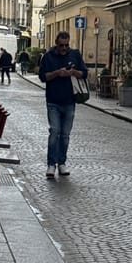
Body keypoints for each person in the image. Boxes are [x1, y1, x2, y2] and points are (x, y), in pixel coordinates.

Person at [38, 31, 88, 178]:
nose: (64, 48)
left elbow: (84, 73)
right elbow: (42, 77)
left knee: (65, 135)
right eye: (61, 45)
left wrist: (73, 72)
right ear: (56, 43)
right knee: (54, 132)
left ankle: (62, 163)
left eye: (66, 45)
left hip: (70, 101)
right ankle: (51, 165)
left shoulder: (75, 55)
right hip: (53, 101)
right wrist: (56, 73)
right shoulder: (48, 56)